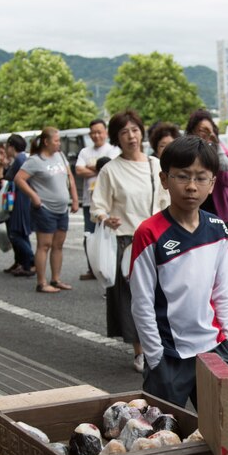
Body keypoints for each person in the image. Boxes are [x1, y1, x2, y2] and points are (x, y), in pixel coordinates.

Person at [130, 135, 228, 407]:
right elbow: (142, 304)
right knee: (163, 437)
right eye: (182, 176)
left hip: (215, 350)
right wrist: (155, 358)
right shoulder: (149, 233)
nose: (191, 186)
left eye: (201, 178)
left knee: (223, 438)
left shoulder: (217, 227)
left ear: (212, 183)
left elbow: (223, 291)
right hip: (168, 356)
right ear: (164, 179)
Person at [91, 110, 170, 372]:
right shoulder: (110, 170)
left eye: (134, 130)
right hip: (126, 242)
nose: (131, 136)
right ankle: (141, 351)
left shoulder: (155, 165)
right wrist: (105, 217)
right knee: (132, 299)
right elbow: (97, 206)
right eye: (124, 132)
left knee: (161, 294)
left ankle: (160, 344)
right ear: (116, 138)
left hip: (156, 239)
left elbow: (165, 201)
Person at [15, 127, 80, 293]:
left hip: (61, 208)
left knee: (58, 245)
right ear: (46, 142)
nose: (59, 144)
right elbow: (19, 179)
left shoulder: (60, 156)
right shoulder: (35, 160)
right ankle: (42, 282)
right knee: (44, 245)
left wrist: (74, 198)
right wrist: (34, 196)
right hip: (44, 208)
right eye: (56, 141)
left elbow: (70, 177)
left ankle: (56, 279)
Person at [75, 119, 120, 281]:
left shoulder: (113, 150)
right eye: (93, 132)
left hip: (110, 203)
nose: (96, 135)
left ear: (106, 132)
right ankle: (92, 268)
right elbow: (79, 170)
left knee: (110, 237)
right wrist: (100, 168)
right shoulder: (84, 152)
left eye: (99, 131)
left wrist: (93, 168)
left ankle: (109, 268)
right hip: (89, 202)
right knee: (90, 236)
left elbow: (110, 168)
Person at [186, 109, 228, 227]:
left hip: (220, 210)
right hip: (196, 208)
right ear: (193, 132)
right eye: (202, 130)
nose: (206, 134)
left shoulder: (221, 150)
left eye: (209, 130)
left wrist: (217, 149)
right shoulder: (187, 152)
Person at [3, 134, 35, 276]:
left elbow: (8, 177)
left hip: (20, 199)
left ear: (11, 146)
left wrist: (6, 165)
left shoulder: (19, 159)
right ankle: (25, 263)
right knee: (22, 233)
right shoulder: (23, 158)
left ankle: (32, 261)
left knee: (16, 233)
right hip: (23, 197)